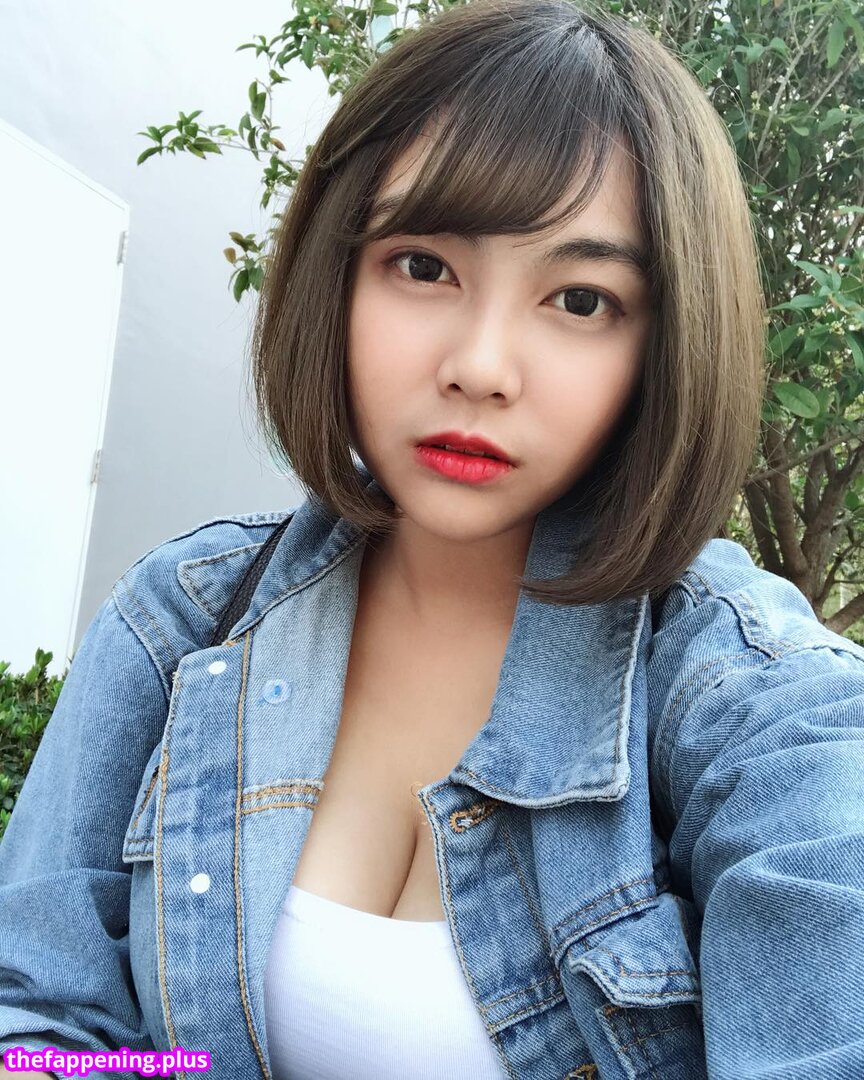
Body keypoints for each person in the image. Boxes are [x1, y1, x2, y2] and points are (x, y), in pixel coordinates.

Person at [2, 0, 863, 1077]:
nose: (481, 366)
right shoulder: (181, 622)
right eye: (422, 266)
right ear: (335, 275)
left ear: (666, 344)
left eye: (581, 299)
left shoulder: (750, 701)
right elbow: (36, 1022)